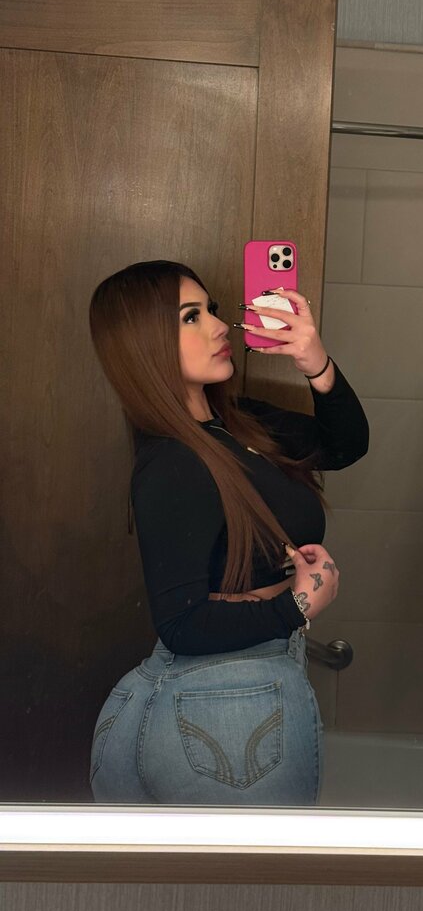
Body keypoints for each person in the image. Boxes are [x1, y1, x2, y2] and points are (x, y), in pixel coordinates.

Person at [86, 259, 369, 805]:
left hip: (226, 702)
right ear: (144, 344)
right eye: (191, 317)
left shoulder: (236, 423)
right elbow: (181, 624)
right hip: (221, 710)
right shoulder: (171, 461)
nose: (220, 326)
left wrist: (315, 363)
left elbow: (345, 446)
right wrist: (298, 605)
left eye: (211, 310)